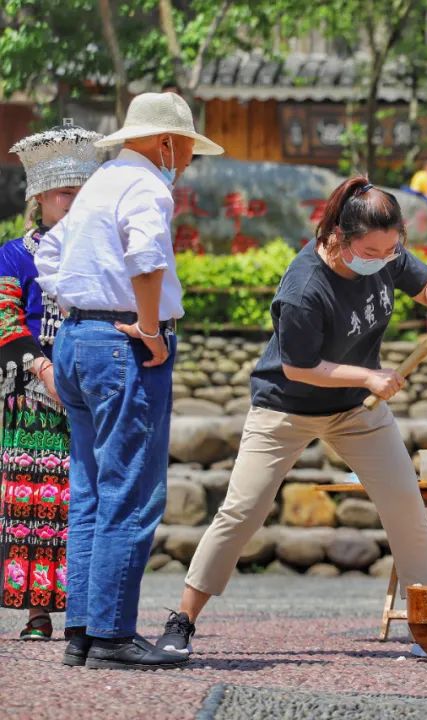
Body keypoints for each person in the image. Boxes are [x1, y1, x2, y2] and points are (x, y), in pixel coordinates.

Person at [154, 176, 427, 658]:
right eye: (372, 252)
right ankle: (183, 619)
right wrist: (369, 377)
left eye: (390, 250)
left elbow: (424, 288)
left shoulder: (384, 252)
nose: (383, 259)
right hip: (285, 408)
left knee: (404, 502)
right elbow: (299, 367)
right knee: (243, 511)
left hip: (355, 410)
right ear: (339, 235)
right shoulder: (304, 288)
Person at [35, 92, 223, 670]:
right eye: (186, 148)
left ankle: (83, 631)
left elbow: (49, 253)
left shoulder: (100, 182)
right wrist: (148, 327)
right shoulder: (146, 186)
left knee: (91, 491)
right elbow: (146, 257)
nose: (187, 160)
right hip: (123, 343)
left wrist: (79, 306)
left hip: (76, 339)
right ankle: (112, 633)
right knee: (132, 492)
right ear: (166, 142)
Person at [0, 123, 101, 641]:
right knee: (37, 502)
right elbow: (5, 319)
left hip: (91, 385)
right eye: (64, 192)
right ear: (39, 197)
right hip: (32, 395)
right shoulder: (14, 254)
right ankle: (37, 613)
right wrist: (43, 370)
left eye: (81, 191)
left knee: (85, 498)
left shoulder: (99, 251)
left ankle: (87, 609)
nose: (73, 200)